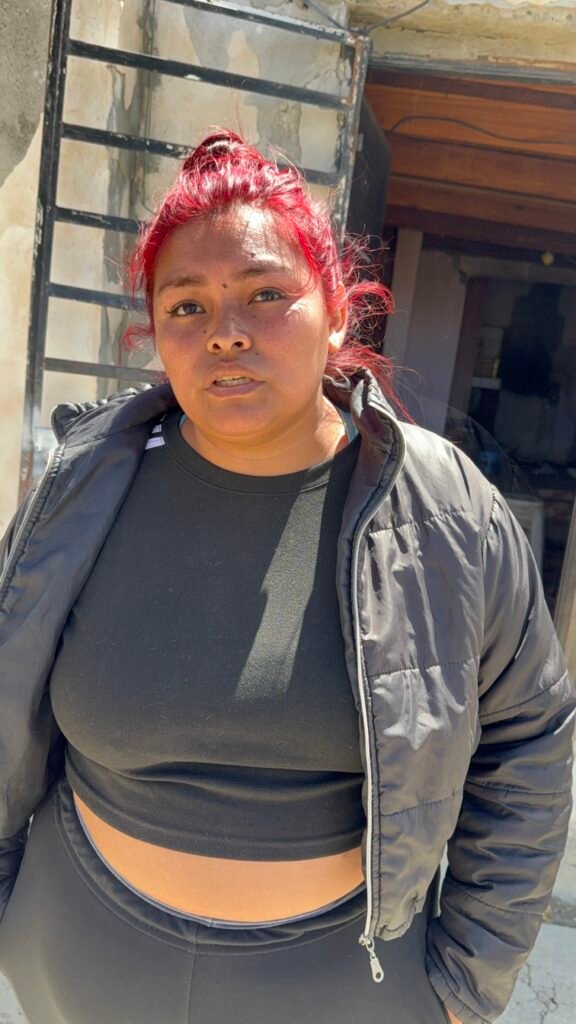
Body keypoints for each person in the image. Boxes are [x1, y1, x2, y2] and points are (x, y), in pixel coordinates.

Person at [0, 130, 574, 1024]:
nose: (225, 331)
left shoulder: (446, 510)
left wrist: (467, 982)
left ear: (336, 311)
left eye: (266, 293)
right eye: (186, 305)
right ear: (156, 333)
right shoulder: (83, 488)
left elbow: (528, 741)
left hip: (347, 986)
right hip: (75, 958)